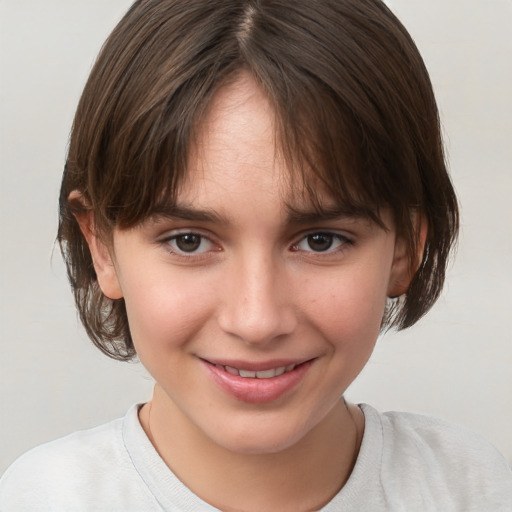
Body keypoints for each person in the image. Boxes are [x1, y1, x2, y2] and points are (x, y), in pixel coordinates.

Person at [1, 0, 511, 510]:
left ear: (404, 247)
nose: (257, 321)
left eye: (320, 240)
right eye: (189, 241)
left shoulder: (470, 490)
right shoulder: (40, 499)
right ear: (101, 248)